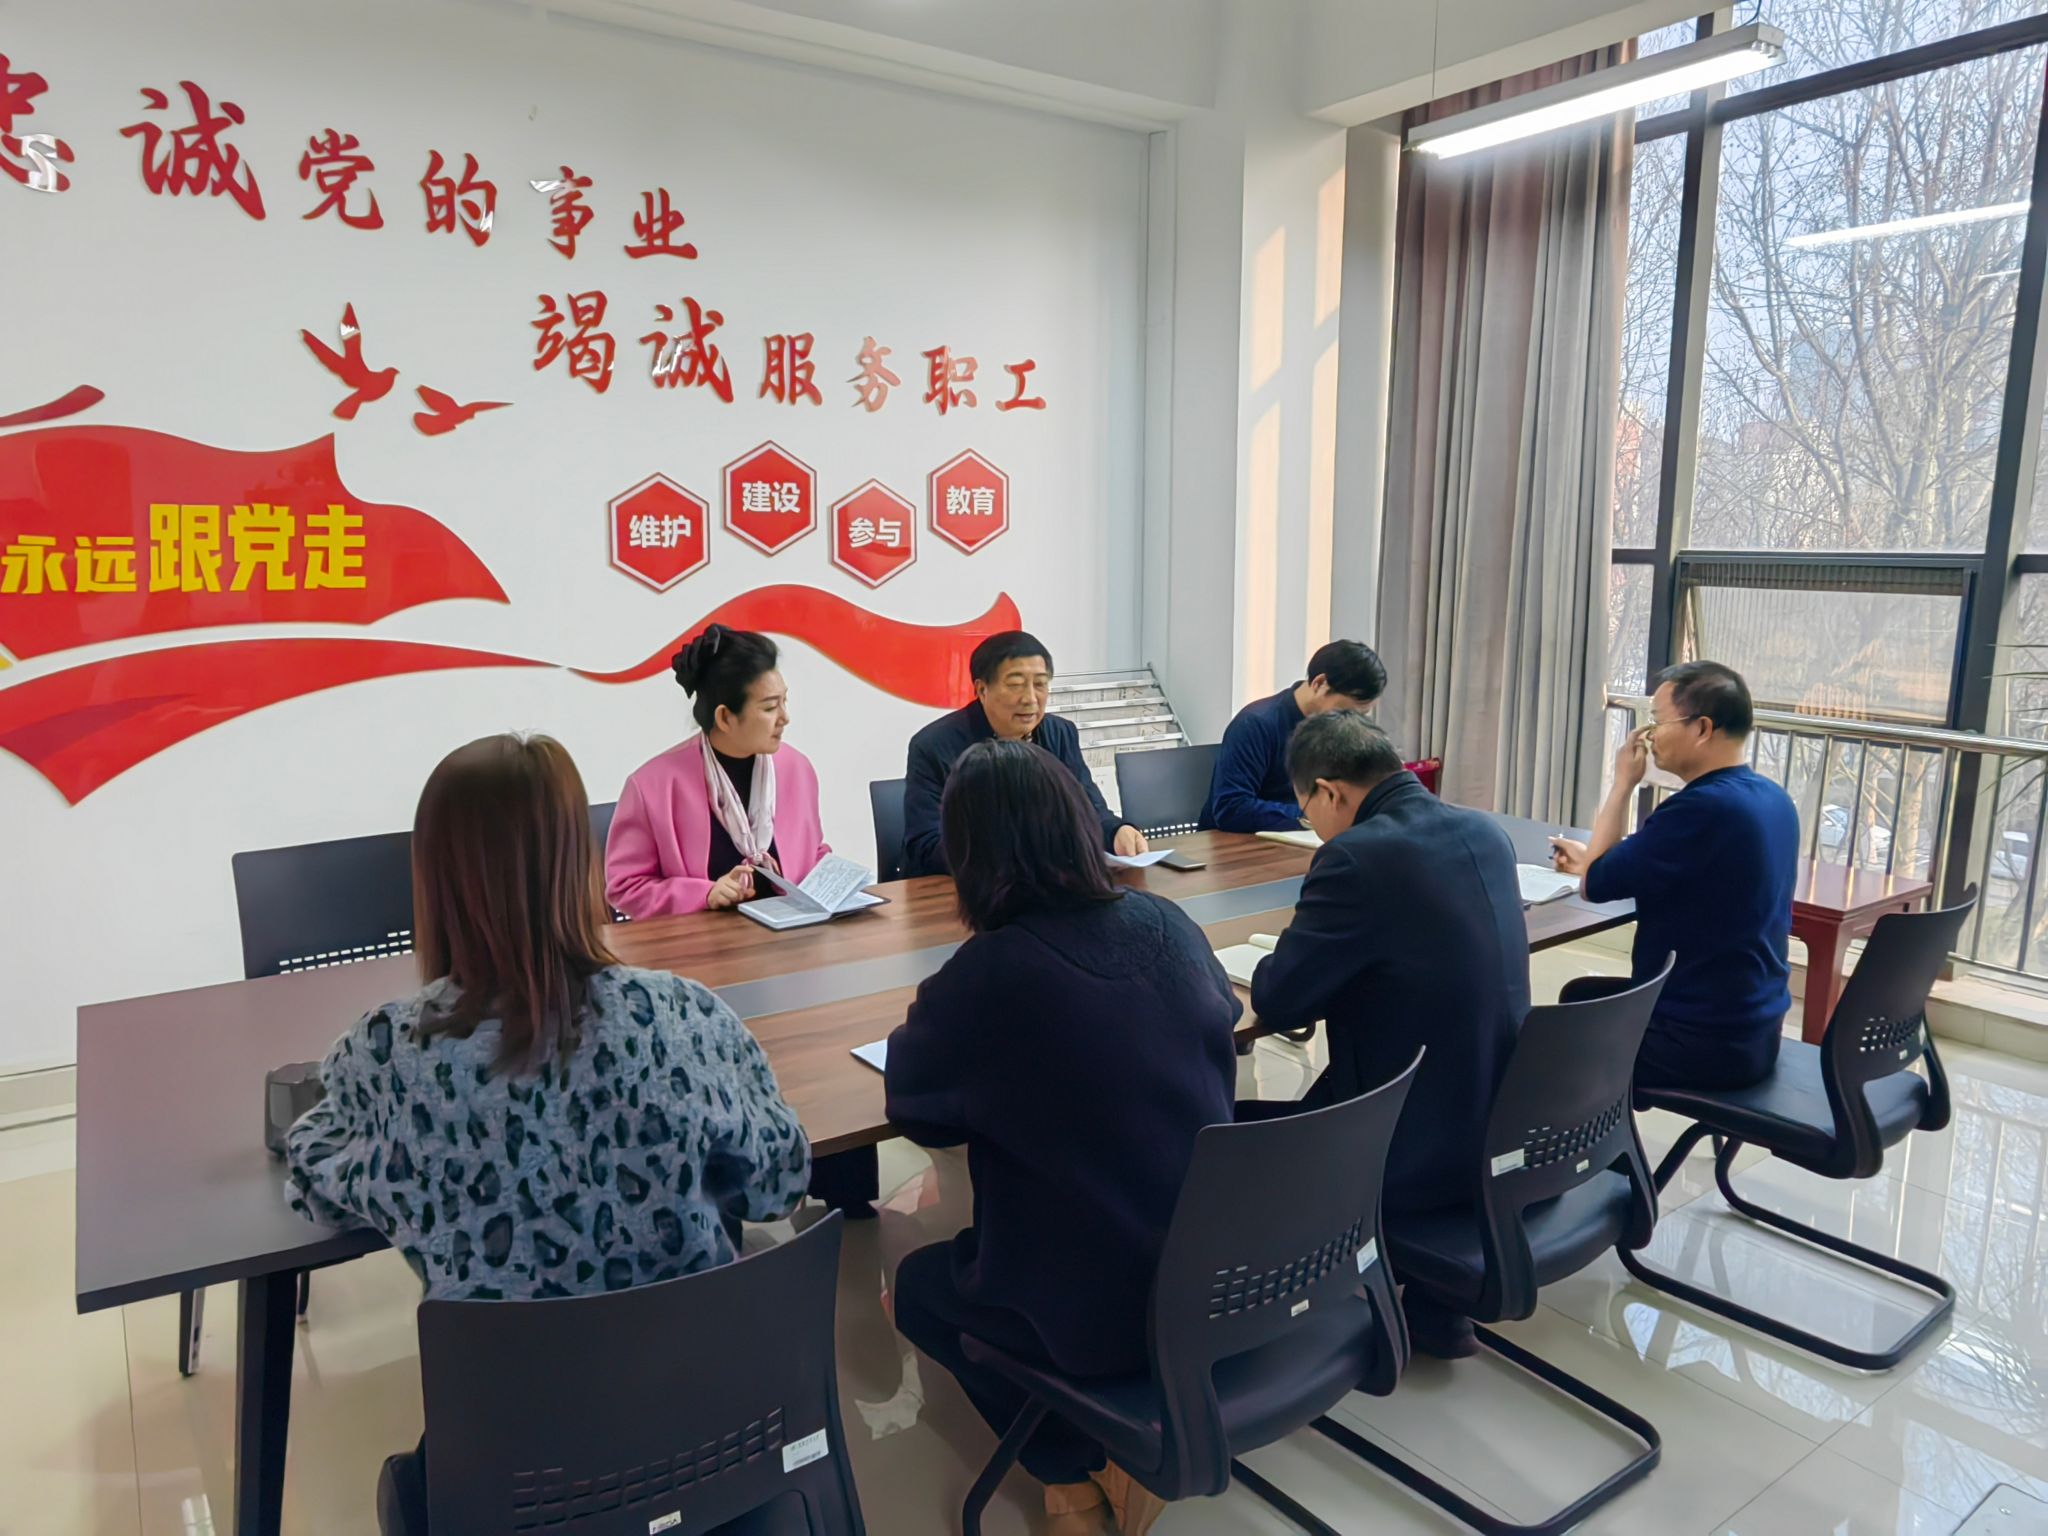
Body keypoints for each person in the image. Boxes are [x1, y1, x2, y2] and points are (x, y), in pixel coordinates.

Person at [284, 733, 811, 1527]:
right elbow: (781, 1182)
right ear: (579, 862)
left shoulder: (390, 1053)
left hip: (518, 1473)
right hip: (710, 1436)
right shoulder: (685, 1016)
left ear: (434, 877)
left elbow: (315, 1186)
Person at [886, 740, 1239, 1535]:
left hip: (1094, 1312)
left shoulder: (989, 973)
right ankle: (1117, 1458)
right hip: (1217, 1274)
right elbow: (1226, 1015)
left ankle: (1069, 1470)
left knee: (916, 1291)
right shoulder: (1168, 921)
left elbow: (915, 1109)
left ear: (970, 855)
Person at [1245, 711, 1528, 1356]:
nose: (1313, 826)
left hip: (1409, 1145)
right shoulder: (1485, 830)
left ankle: (1271, 1304)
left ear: (1329, 792)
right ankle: (1434, 1303)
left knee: (1231, 1132)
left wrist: (1277, 955)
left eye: (1306, 811)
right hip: (1503, 1119)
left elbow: (1280, 999)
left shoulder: (1354, 857)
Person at [1550, 661, 1798, 1092]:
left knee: (1548, 1042)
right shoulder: (1772, 798)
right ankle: (1613, 1133)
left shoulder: (1701, 809)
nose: (1648, 736)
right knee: (1581, 996)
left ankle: (1594, 1134)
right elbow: (1668, 868)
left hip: (1699, 1041)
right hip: (1756, 1027)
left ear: (1702, 728)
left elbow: (1596, 884)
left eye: (1658, 722)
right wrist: (1592, 860)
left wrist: (1623, 783)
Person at [606, 624, 830, 918]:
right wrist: (704, 894)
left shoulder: (797, 769)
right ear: (724, 717)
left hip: (796, 937)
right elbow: (626, 887)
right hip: (704, 943)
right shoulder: (651, 787)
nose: (784, 718)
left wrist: (835, 878)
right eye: (769, 707)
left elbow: (810, 854)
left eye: (784, 701)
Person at [901, 630, 1145, 879]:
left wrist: (1116, 831)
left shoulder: (1060, 734)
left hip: (1046, 882)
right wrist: (1016, 853)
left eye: (1040, 684)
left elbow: (1088, 809)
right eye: (1015, 685)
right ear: (982, 690)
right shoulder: (935, 746)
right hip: (965, 888)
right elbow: (926, 845)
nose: (1030, 699)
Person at [1199, 640, 1388, 832]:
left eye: (1362, 715)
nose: (1351, 721)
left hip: (1305, 838)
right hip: (1239, 843)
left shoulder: (1340, 729)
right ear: (1320, 684)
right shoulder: (1256, 723)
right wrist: (1315, 815)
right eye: (1346, 711)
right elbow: (1232, 808)